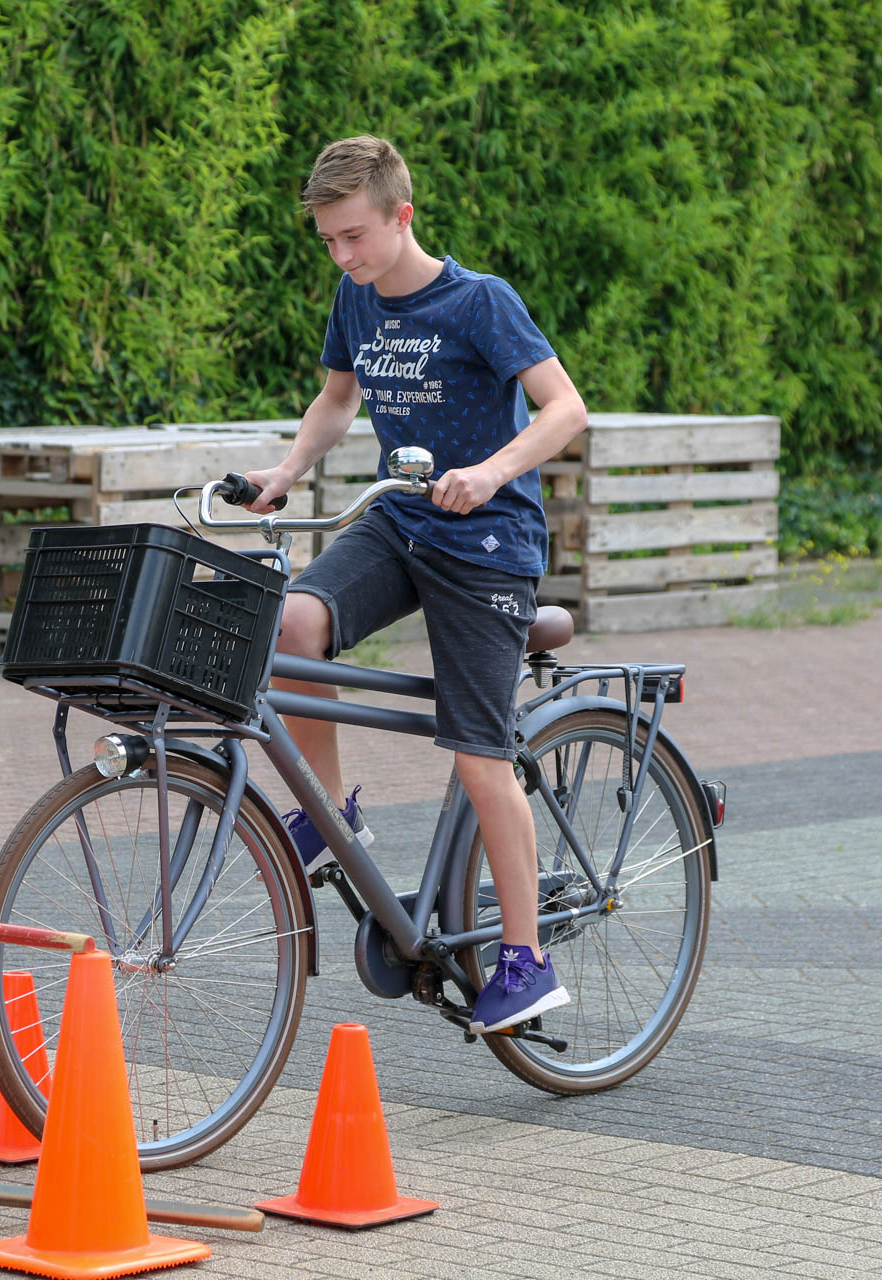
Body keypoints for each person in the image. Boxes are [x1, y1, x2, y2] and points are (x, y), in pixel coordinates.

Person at [242, 135, 588, 1035]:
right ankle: (329, 815)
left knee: (477, 753)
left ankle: (526, 962)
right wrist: (286, 472)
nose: (342, 255)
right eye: (328, 241)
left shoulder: (479, 302)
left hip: (487, 543)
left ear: (402, 215)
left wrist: (493, 471)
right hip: (400, 521)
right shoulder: (356, 299)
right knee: (292, 624)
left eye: (354, 235)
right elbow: (338, 399)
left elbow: (565, 408)